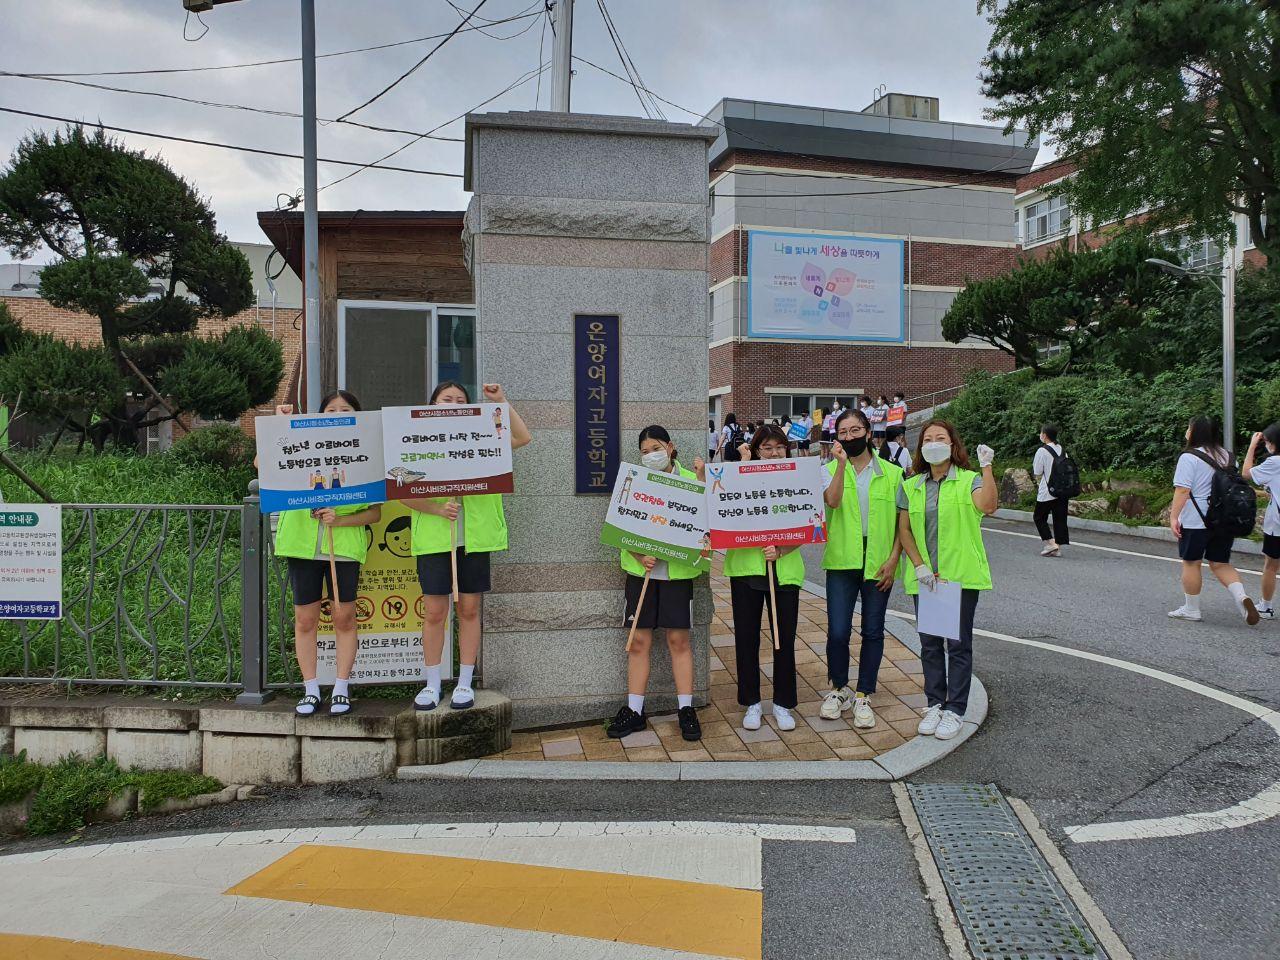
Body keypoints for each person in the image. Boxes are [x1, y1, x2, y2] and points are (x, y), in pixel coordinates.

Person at [407, 381, 532, 711]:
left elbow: (522, 437)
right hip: (434, 539)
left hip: (475, 538)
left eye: (460, 400)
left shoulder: (483, 435)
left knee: (470, 609)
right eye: (446, 400)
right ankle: (432, 684)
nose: (453, 404)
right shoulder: (415, 439)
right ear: (432, 404)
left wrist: (500, 401)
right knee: (435, 611)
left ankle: (465, 682)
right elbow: (400, 488)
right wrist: (436, 508)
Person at [266, 392, 382, 717]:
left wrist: (341, 519)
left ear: (357, 415)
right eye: (331, 410)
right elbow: (265, 465)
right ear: (320, 416)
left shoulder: (367, 453)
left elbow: (375, 514)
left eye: (346, 410)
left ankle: (342, 687)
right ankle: (311, 688)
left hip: (343, 548)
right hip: (301, 544)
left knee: (344, 616)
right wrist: (279, 425)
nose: (338, 414)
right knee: (305, 619)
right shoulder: (303, 442)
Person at [896, 420, 998, 741]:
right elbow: (905, 530)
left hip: (958, 577)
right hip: (928, 578)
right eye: (928, 438)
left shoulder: (968, 481)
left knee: (957, 645)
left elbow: (989, 505)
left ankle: (955, 709)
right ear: (920, 447)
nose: (934, 443)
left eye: (941, 438)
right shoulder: (911, 485)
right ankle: (935, 703)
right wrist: (919, 566)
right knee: (929, 643)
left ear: (953, 445)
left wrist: (987, 467)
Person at [608, 426, 707, 742]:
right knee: (638, 642)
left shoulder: (692, 481)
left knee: (679, 641)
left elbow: (706, 527)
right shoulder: (633, 482)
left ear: (670, 446)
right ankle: (635, 710)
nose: (651, 454)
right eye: (645, 450)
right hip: (642, 575)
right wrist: (638, 555)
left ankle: (686, 709)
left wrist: (704, 479)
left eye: (656, 447)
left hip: (677, 576)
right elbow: (619, 526)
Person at [820, 408, 905, 728]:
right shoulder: (828, 469)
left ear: (869, 432)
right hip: (842, 560)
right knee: (838, 630)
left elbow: (902, 524)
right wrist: (842, 464)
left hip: (879, 560)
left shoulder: (893, 474)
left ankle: (864, 692)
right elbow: (833, 502)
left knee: (872, 629)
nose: (850, 437)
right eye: (843, 432)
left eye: (856, 431)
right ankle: (839, 688)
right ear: (836, 437)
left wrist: (894, 559)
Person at [725, 424, 806, 733]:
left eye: (779, 447)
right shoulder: (739, 474)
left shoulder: (798, 478)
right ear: (756, 450)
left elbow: (809, 523)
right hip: (746, 570)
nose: (774, 453)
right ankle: (752, 702)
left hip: (783, 571)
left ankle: (783, 703)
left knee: (783, 639)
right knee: (746, 639)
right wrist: (744, 466)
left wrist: (783, 549)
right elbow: (726, 512)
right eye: (767, 448)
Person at [1168, 416, 1259, 625]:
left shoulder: (1188, 457)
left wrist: (1174, 516)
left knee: (1191, 563)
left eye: (1189, 427)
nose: (1187, 431)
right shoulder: (1228, 457)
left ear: (1195, 432)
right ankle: (1242, 598)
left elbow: (1183, 489)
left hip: (1195, 520)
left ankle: (1191, 609)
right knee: (1220, 563)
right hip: (1223, 519)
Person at [1244, 424, 1280, 620]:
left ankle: (1265, 607)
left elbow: (1246, 474)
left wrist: (1251, 446)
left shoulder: (1274, 462)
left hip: (1277, 525)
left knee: (1271, 565)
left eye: (1266, 442)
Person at [1031, 423, 1070, 557]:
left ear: (1045, 435)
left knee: (1039, 517)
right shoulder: (1062, 449)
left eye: (1041, 433)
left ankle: (1051, 543)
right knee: (1059, 519)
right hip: (1063, 491)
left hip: (1047, 491)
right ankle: (1057, 547)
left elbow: (1037, 471)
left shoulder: (1042, 451)